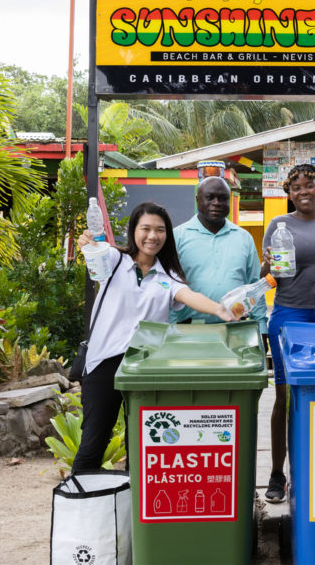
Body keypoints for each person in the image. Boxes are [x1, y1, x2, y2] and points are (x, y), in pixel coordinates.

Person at [73, 202, 236, 472]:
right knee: (93, 442)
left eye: (160, 230)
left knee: (141, 446)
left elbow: (189, 296)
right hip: (104, 363)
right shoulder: (114, 260)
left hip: (144, 367)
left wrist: (220, 309)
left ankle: (135, 498)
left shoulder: (168, 276)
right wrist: (88, 243)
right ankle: (82, 495)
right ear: (133, 231)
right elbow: (96, 254)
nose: (153, 236)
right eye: (145, 229)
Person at [261, 164, 315, 502]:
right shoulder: (278, 225)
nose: (303, 192)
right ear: (288, 193)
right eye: (296, 187)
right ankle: (277, 473)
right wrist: (268, 265)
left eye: (309, 185)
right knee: (284, 396)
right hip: (290, 315)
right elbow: (268, 275)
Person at [170, 176, 265, 327]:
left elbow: (254, 284)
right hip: (188, 329)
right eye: (210, 197)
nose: (216, 203)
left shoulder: (244, 238)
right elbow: (167, 286)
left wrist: (261, 326)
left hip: (235, 327)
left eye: (223, 198)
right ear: (197, 200)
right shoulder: (177, 237)